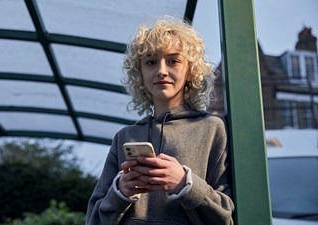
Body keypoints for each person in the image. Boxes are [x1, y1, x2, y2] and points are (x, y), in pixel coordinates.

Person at [86, 16, 234, 225]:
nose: (161, 71)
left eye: (173, 60)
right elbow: (93, 220)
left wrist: (185, 184)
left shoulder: (212, 129)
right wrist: (119, 193)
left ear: (190, 69)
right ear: (140, 73)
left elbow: (226, 217)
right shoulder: (124, 137)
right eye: (150, 62)